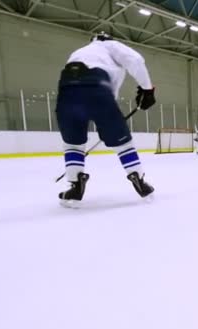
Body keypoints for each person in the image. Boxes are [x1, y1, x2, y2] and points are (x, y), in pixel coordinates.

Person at [56, 31, 156, 206]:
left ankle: (75, 187)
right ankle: (139, 180)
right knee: (123, 143)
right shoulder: (110, 45)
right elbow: (136, 60)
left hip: (66, 88)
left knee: (73, 143)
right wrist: (147, 89)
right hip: (96, 85)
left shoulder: (79, 52)